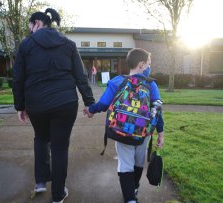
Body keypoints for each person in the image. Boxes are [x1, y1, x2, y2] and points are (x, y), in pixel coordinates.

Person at [12, 8, 95, 203]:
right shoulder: (68, 44)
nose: (30, 30)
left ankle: (41, 181)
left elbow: (18, 79)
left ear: (38, 23)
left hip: (37, 104)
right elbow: (80, 76)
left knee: (41, 138)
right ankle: (58, 195)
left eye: (30, 26)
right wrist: (89, 102)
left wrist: (20, 106)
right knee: (60, 147)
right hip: (65, 103)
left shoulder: (26, 45)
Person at [84, 48, 164, 203]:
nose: (149, 66)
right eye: (148, 63)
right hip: (143, 133)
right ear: (141, 64)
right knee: (138, 161)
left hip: (121, 130)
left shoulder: (117, 81)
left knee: (125, 163)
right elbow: (157, 110)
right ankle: (134, 188)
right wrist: (160, 133)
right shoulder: (151, 84)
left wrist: (91, 110)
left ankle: (130, 199)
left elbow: (103, 103)